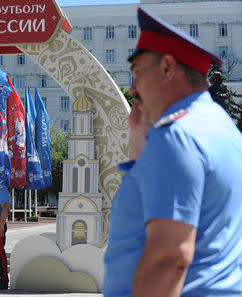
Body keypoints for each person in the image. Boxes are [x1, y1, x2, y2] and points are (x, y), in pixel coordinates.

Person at [103, 7, 242, 297]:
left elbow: (170, 259)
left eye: (138, 72)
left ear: (167, 68)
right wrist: (141, 149)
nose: (132, 88)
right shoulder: (223, 130)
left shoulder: (177, 138)